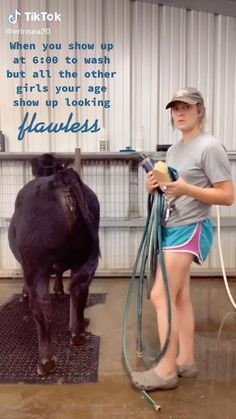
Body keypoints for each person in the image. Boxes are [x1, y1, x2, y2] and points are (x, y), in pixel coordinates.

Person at [131, 87, 234, 391]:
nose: (179, 113)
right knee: (179, 298)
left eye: (186, 107)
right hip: (171, 225)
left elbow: (227, 196)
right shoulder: (175, 149)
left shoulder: (210, 146)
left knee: (160, 296)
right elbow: (173, 186)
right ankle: (185, 360)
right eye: (175, 108)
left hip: (190, 228)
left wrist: (186, 189)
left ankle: (165, 371)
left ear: (199, 110)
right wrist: (156, 187)